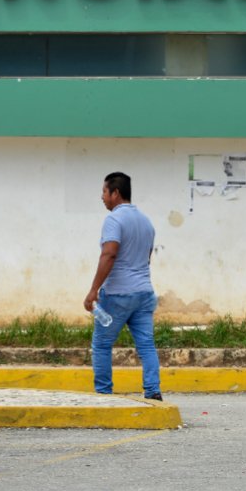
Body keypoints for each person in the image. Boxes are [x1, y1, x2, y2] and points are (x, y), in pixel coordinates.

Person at [83, 171, 161, 400]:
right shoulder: (146, 221)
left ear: (115, 193)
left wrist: (93, 290)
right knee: (146, 344)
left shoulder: (114, 220)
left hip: (117, 294)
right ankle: (153, 390)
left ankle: (104, 394)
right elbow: (146, 258)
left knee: (101, 345)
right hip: (144, 292)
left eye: (104, 192)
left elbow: (109, 254)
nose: (102, 197)